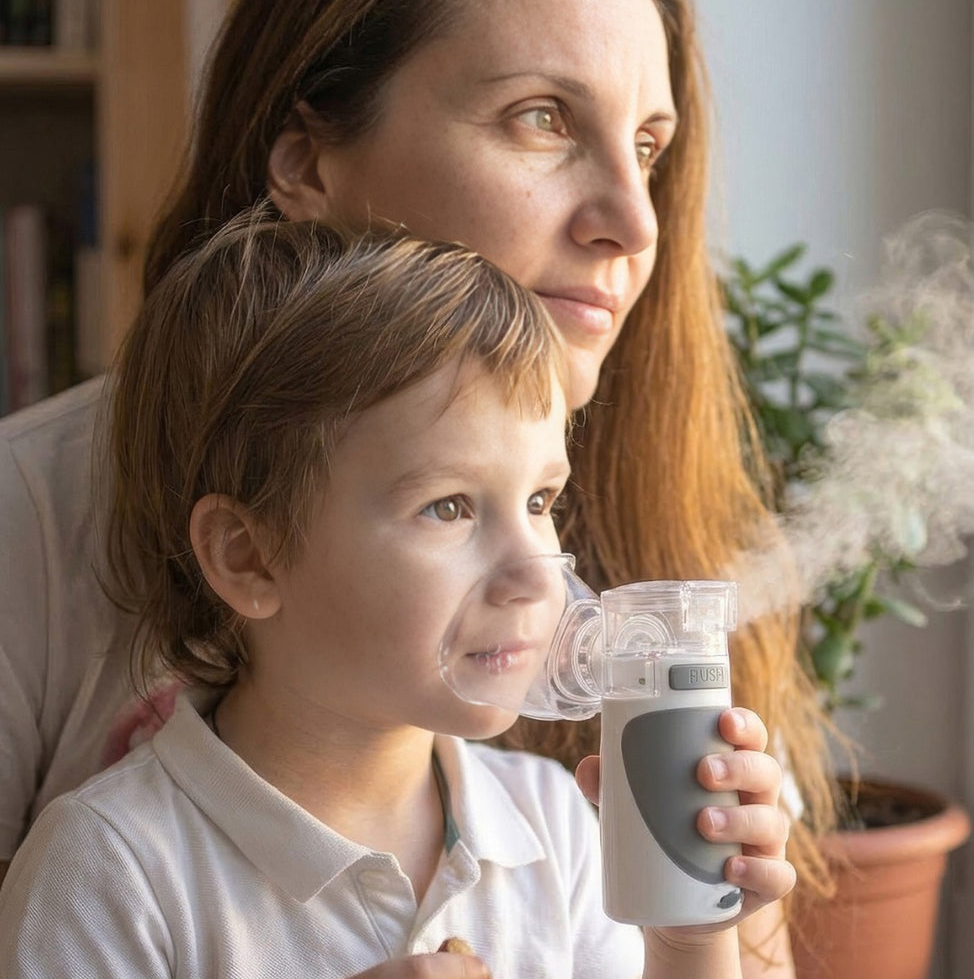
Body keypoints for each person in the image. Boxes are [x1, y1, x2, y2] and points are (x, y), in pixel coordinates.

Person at [0, 0, 835, 970]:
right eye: (541, 117)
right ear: (305, 161)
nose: (633, 224)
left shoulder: (566, 799)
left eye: (648, 146)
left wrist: (712, 918)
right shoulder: (34, 529)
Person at [0, 214, 795, 978]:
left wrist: (688, 942)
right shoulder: (110, 870)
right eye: (448, 507)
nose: (533, 572)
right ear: (250, 556)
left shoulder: (557, 828)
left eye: (541, 502)